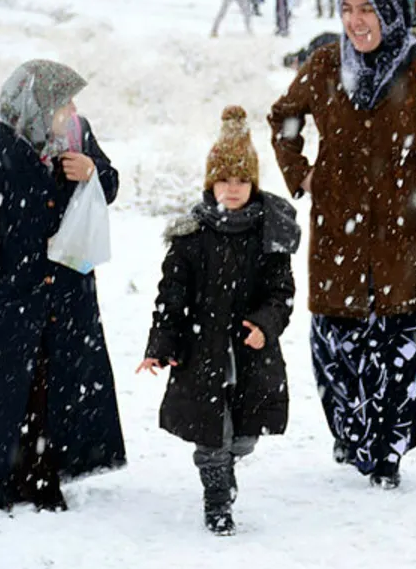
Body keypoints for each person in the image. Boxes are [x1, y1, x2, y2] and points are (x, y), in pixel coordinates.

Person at [267, 0, 416, 489]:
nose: (357, 22)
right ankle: (352, 432)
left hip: (407, 237)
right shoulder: (324, 65)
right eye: (348, 10)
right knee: (333, 348)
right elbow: (284, 118)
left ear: (391, 14)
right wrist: (302, 172)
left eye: (367, 11)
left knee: (399, 354)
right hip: (339, 235)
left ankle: (388, 454)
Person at [0, 59, 126, 511]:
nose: (72, 108)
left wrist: (93, 171)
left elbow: (110, 185)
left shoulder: (78, 137)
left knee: (58, 387)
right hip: (8, 297)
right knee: (7, 391)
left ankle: (44, 477)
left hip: (67, 291)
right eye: (63, 100)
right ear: (36, 105)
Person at [139, 106, 298, 536]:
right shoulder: (191, 236)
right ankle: (217, 501)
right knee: (211, 436)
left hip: (251, 353)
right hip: (201, 349)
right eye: (224, 180)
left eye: (241, 180)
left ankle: (226, 470)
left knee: (244, 435)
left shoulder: (270, 235)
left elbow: (281, 293)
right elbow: (170, 298)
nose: (232, 188)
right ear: (211, 183)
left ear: (253, 183)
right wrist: (161, 346)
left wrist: (265, 324)